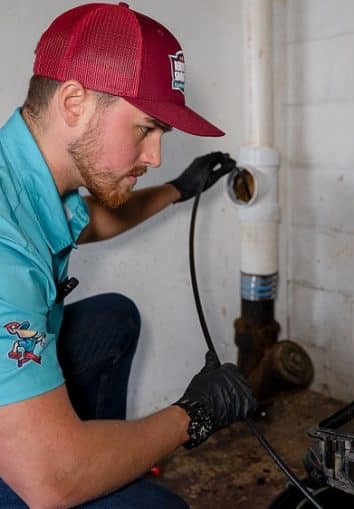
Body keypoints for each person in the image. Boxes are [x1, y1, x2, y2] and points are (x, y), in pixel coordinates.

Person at [0, 3, 257, 508]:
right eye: (145, 128)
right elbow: (50, 482)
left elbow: (94, 220)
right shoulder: (6, 248)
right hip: (40, 471)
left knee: (112, 318)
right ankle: (87, 471)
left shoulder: (26, 179)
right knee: (163, 508)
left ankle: (101, 471)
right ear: (74, 102)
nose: (155, 156)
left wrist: (180, 190)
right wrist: (195, 412)